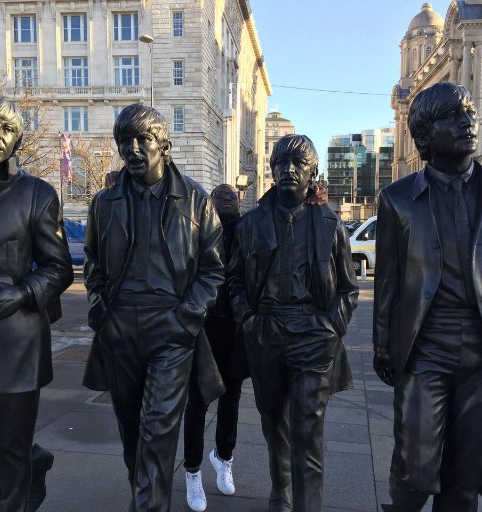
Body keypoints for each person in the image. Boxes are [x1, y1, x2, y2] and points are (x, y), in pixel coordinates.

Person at [82, 103, 225, 512]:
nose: (133, 148)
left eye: (142, 139)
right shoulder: (105, 201)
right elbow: (92, 262)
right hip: (119, 326)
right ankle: (144, 495)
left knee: (157, 432)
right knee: (132, 433)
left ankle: (147, 506)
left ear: (164, 144)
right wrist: (98, 307)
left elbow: (213, 270)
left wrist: (187, 317)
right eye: (125, 141)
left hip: (172, 329)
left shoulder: (197, 200)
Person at [228, 134, 358, 512]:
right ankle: (279, 487)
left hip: (312, 334)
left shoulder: (330, 224)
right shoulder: (251, 223)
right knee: (274, 423)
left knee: (308, 430)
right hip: (266, 331)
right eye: (281, 163)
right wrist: (248, 320)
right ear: (271, 171)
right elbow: (234, 279)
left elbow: (349, 289)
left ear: (311, 172)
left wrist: (330, 328)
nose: (288, 170)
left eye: (297, 164)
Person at [373, 82, 482, 511]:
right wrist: (383, 345)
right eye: (454, 116)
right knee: (413, 473)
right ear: (423, 137)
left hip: (478, 350)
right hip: (425, 348)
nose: (468, 122)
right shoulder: (398, 199)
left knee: (465, 480)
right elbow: (388, 283)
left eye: (469, 112)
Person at [0, 92, 74, 512]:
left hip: (15, 340)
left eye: (8, 130)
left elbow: (58, 268)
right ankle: (35, 461)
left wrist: (21, 292)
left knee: (9, 451)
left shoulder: (36, 193)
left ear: (18, 142)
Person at [182, 183, 243, 512]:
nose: (225, 202)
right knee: (199, 400)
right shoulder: (200, 231)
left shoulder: (245, 230)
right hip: (204, 327)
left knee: (231, 398)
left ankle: (224, 456)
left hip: (234, 327)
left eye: (231, 198)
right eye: (221, 199)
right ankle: (192, 471)